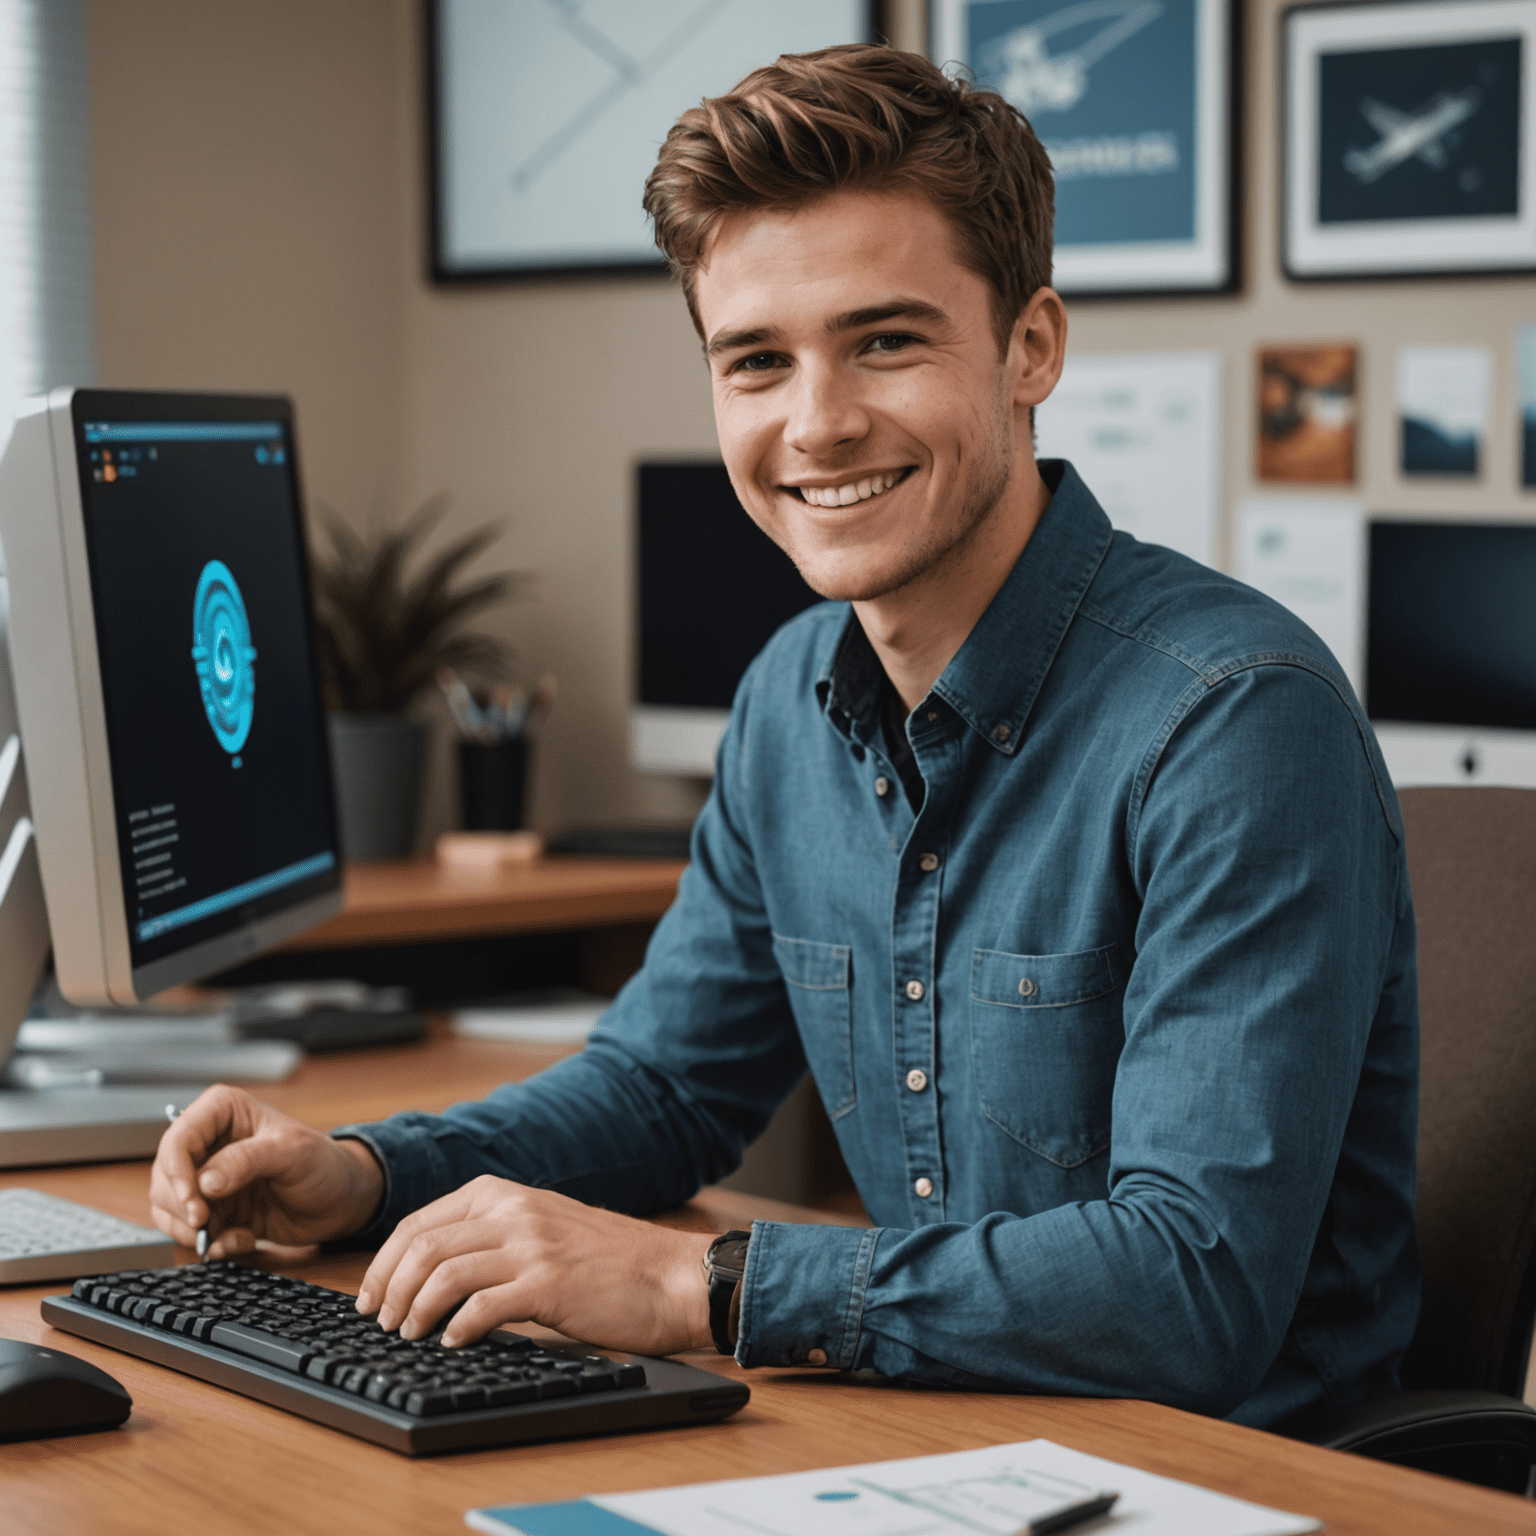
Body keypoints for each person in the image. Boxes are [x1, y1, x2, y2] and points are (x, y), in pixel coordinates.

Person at [151, 45, 1419, 1429]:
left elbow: (1192, 1288)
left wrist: (695, 1283)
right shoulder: (786, 699)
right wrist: (364, 1173)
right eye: (758, 360)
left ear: (1031, 347)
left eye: (885, 340)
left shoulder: (1233, 718)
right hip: (942, 1436)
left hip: (1241, 1478)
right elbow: (666, 1090)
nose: (815, 424)